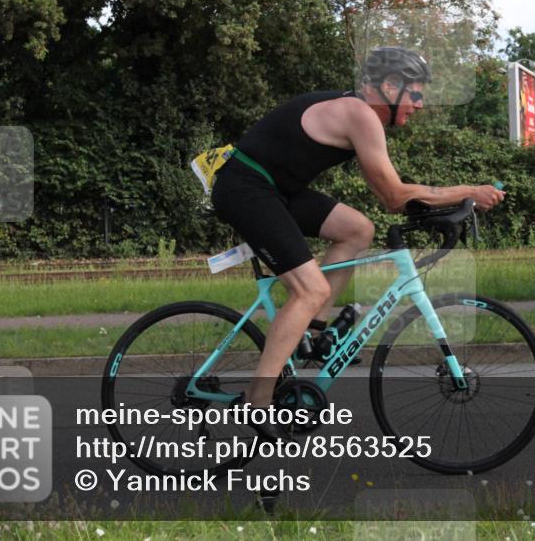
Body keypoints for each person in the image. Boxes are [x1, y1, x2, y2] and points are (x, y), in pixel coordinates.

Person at [208, 47, 504, 438]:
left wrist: (446, 203)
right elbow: (395, 197)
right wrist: (467, 191)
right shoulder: (361, 115)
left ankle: (312, 334)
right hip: (247, 187)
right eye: (415, 93)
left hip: (276, 189)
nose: (420, 103)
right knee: (309, 289)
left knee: (358, 230)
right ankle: (257, 401)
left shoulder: (358, 112)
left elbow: (391, 196)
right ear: (389, 86)